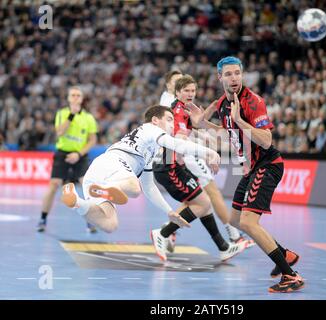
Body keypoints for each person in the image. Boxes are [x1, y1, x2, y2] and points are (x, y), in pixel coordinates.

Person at [61, 105, 242, 264]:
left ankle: (76, 201)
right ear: (155, 120)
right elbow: (175, 144)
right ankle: (107, 188)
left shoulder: (149, 148)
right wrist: (207, 152)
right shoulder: (150, 129)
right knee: (133, 187)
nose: (172, 124)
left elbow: (149, 187)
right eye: (169, 119)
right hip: (113, 164)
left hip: (99, 174)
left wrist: (169, 211)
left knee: (110, 224)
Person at [187, 56, 303, 293]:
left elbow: (267, 140)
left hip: (267, 164)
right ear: (220, 77)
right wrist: (202, 123)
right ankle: (285, 255)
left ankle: (290, 276)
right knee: (236, 219)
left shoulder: (253, 102)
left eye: (237, 73)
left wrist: (240, 120)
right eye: (228, 74)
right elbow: (224, 129)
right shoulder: (222, 103)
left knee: (249, 222)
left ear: (242, 75)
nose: (234, 79)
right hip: (249, 168)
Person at [151, 79, 249, 262]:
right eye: (186, 90)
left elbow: (197, 128)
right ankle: (163, 233)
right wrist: (207, 153)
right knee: (202, 202)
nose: (190, 94)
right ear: (178, 93)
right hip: (168, 168)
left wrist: (213, 127)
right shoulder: (178, 111)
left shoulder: (184, 109)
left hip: (175, 166)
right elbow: (180, 140)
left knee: (203, 203)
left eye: (193, 90)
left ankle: (224, 247)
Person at [37, 86, 98, 233]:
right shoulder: (62, 113)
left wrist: (78, 154)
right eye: (73, 95)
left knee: (87, 185)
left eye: (78, 95)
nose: (76, 97)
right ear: (69, 98)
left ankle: (91, 221)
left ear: (82, 99)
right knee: (54, 184)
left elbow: (92, 140)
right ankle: (43, 219)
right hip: (62, 153)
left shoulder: (88, 118)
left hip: (80, 155)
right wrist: (71, 115)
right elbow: (59, 132)